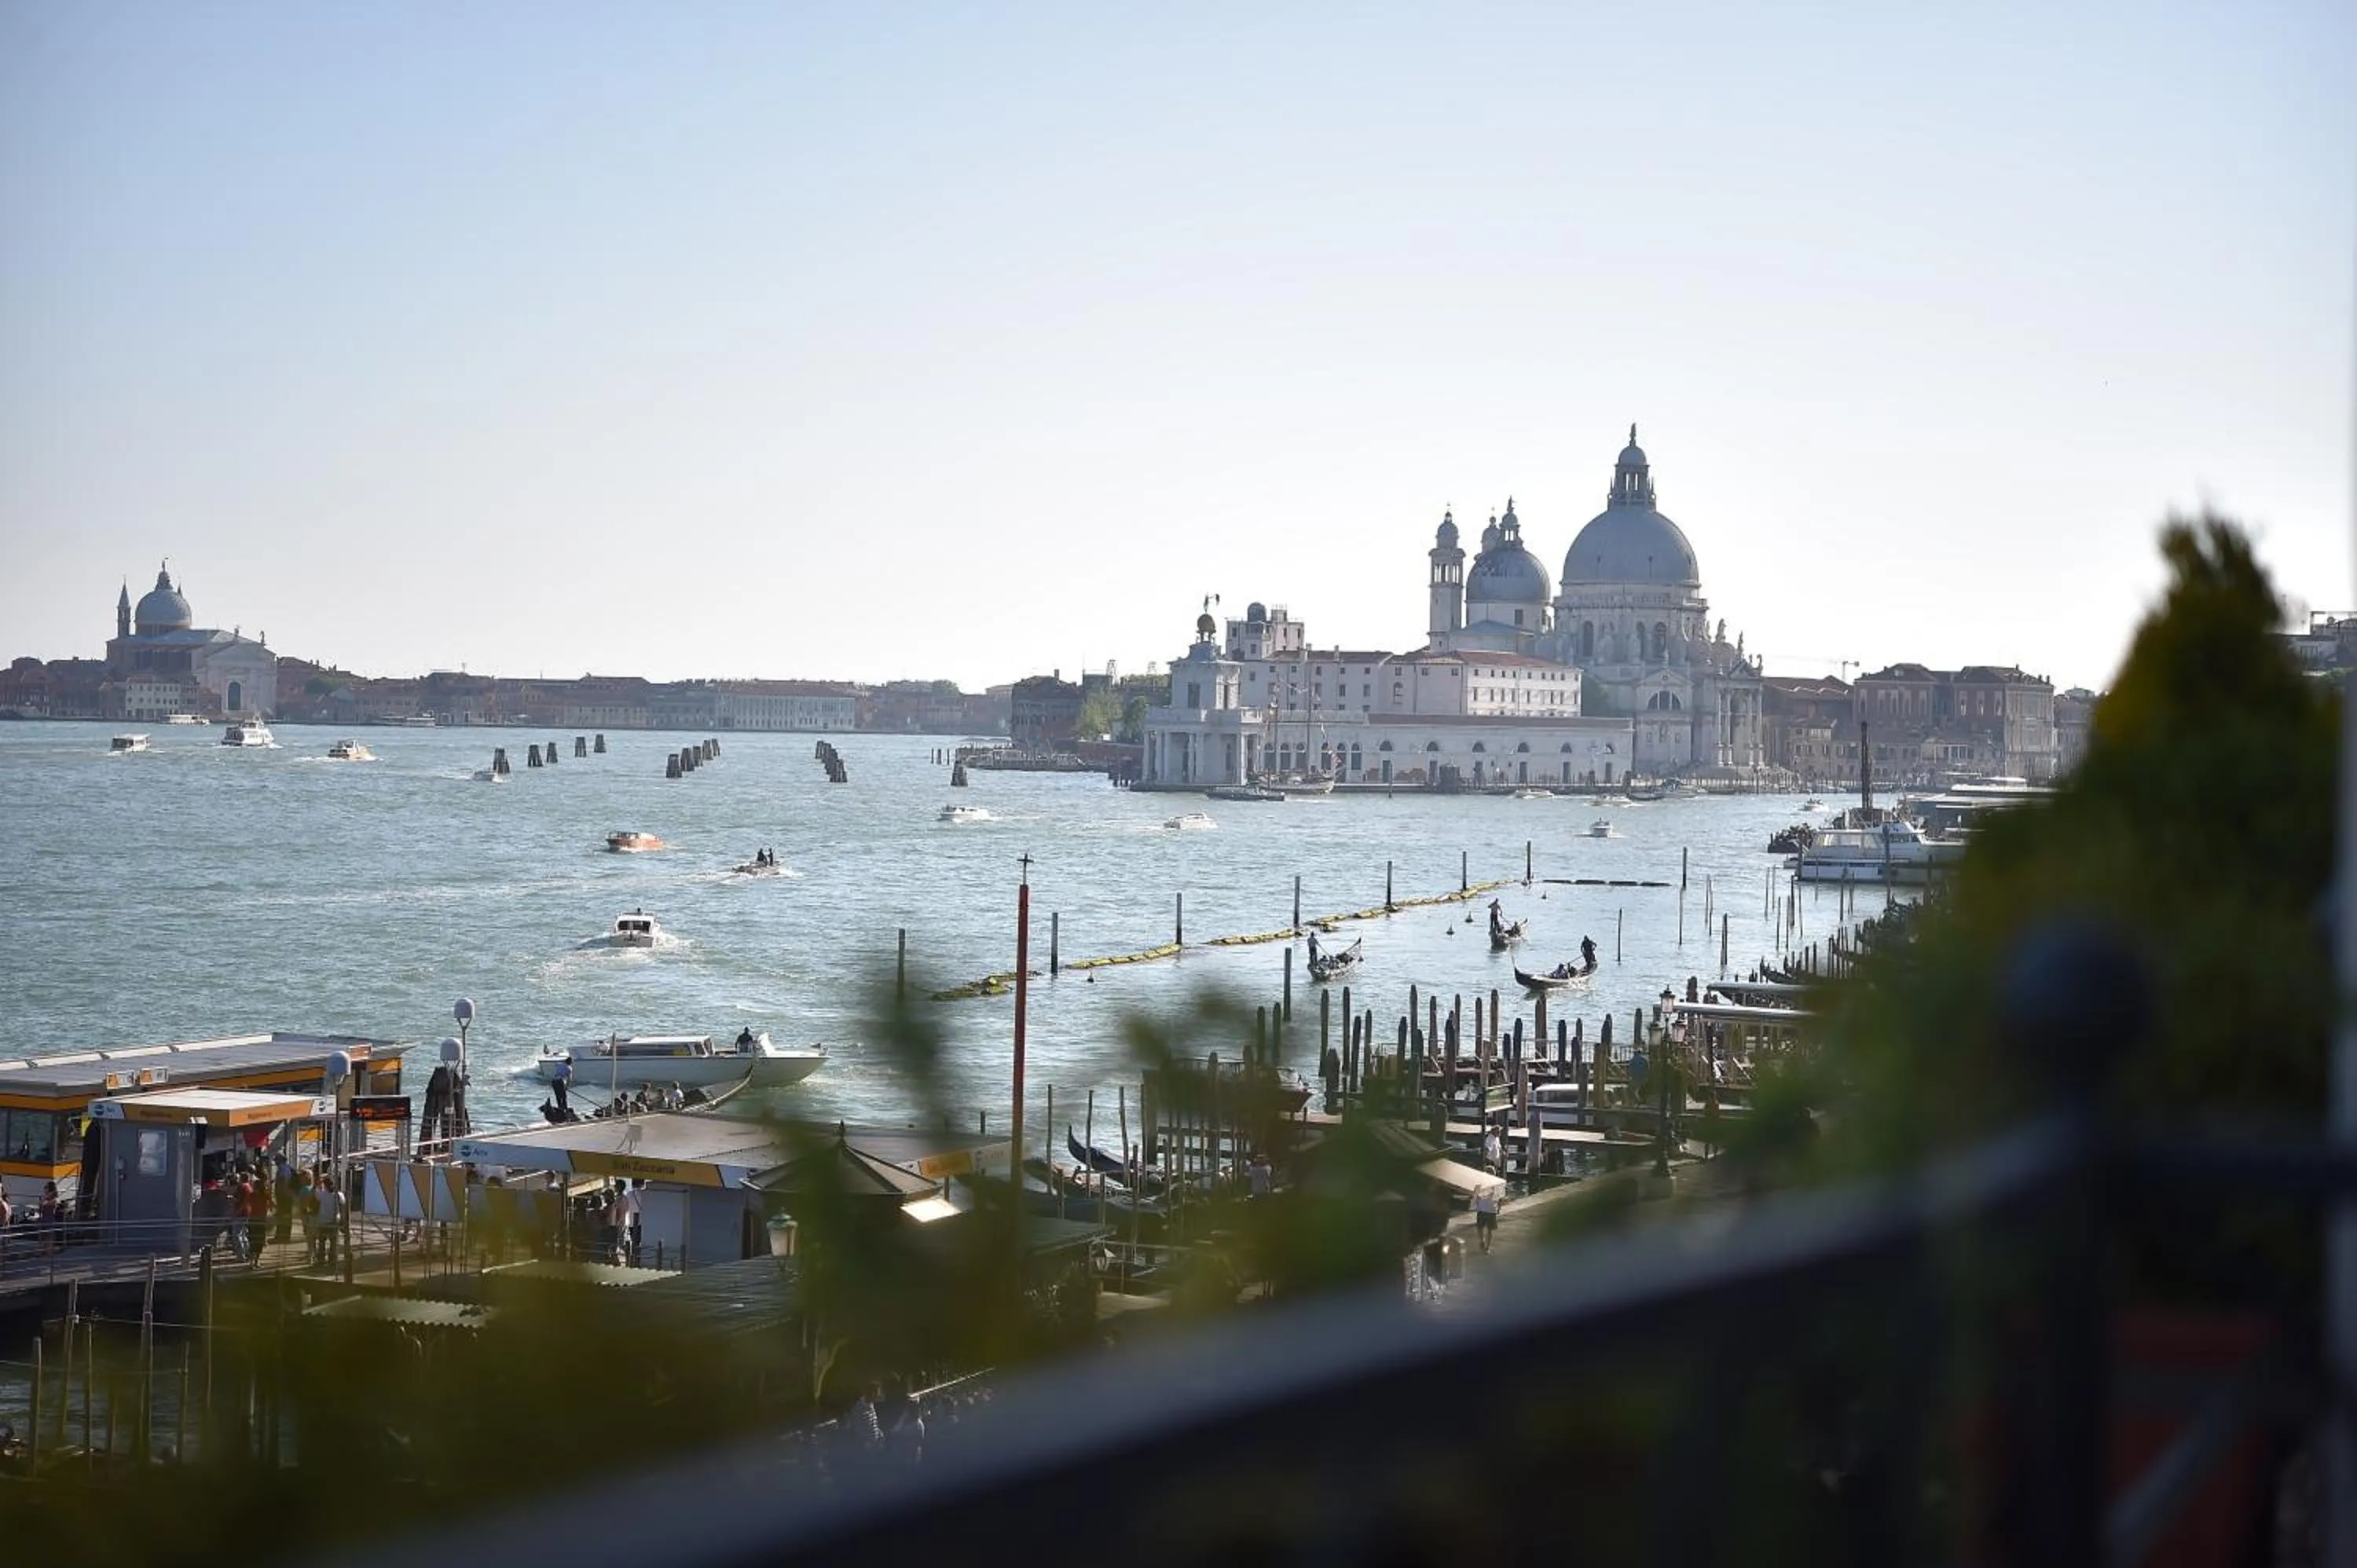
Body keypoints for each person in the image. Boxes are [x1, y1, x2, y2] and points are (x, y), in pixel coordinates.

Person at [1473, 1186, 1500, 1253]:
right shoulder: (1480, 1185)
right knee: (1480, 1228)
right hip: (1483, 1209)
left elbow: (1499, 1197)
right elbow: (1476, 1195)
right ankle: (1483, 1242)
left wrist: (1499, 1207)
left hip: (1490, 1210)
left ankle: (1487, 1246)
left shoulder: (1496, 1185)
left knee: (1489, 1229)